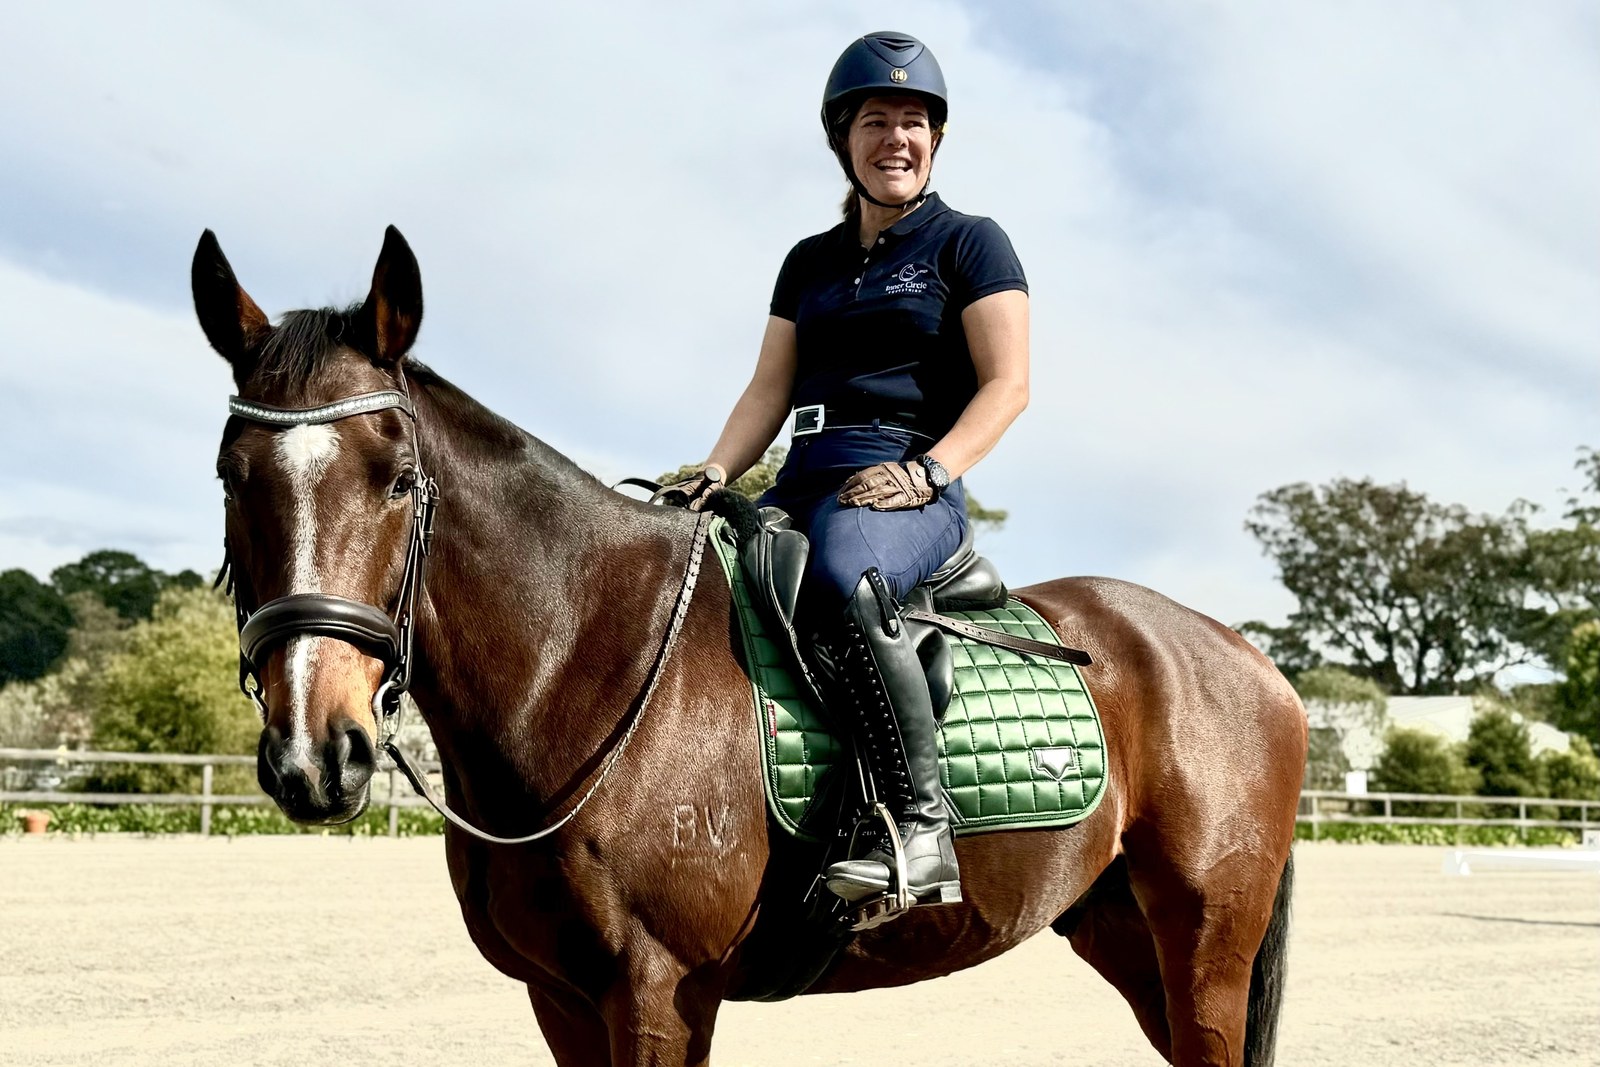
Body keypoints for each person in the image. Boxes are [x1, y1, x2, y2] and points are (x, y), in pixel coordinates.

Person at [664, 31, 1030, 907]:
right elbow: (769, 390)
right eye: (876, 120)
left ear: (935, 141)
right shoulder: (809, 263)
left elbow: (1009, 385)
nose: (895, 137)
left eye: (914, 121)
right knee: (684, 572)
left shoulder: (970, 244)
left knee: (841, 573)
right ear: (845, 138)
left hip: (901, 485)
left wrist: (930, 473)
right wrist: (713, 470)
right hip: (802, 477)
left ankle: (918, 823)